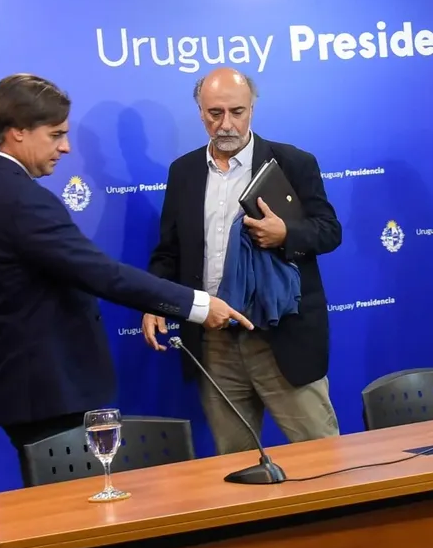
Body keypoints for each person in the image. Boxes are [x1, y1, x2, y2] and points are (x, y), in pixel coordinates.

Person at [0, 73, 250, 483]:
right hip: (50, 391)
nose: (65, 147)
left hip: (32, 390)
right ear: (17, 131)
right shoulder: (17, 199)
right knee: (78, 512)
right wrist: (198, 305)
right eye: (56, 135)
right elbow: (101, 274)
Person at [142, 67, 341, 454]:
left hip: (280, 337)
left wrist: (286, 234)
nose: (226, 124)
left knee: (321, 456)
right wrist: (154, 301)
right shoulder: (183, 172)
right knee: (234, 465)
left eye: (237, 112)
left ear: (252, 109)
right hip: (215, 341)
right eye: (215, 113)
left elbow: (329, 231)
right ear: (200, 112)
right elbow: (169, 251)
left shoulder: (293, 163)